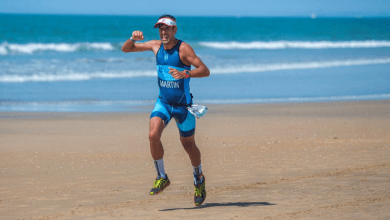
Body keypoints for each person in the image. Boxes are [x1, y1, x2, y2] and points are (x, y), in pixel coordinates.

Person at [121, 14, 210, 206]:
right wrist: (132, 39)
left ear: (174, 30)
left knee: (189, 146)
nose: (163, 32)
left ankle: (198, 178)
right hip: (163, 103)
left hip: (183, 106)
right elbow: (125, 49)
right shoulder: (155, 46)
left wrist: (186, 72)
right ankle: (162, 176)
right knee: (153, 135)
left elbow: (204, 70)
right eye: (160, 29)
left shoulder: (183, 49)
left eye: (167, 28)